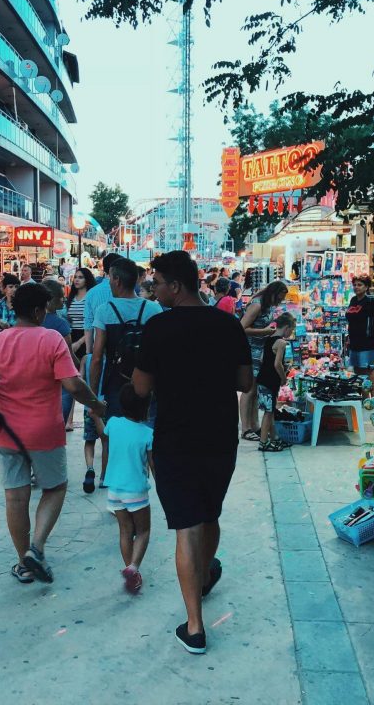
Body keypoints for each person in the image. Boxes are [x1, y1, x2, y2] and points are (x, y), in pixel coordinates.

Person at [132, 251, 253, 655]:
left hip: (175, 440)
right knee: (209, 513)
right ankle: (202, 578)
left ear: (176, 286)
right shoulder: (228, 323)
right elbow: (244, 381)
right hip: (219, 436)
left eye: (157, 283)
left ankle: (196, 626)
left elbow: (141, 389)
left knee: (187, 527)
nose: (154, 290)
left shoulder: (158, 328)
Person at [0, 283, 105, 584]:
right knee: (55, 487)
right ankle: (36, 547)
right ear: (39, 311)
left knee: (15, 497)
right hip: (42, 430)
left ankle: (23, 562)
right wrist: (96, 405)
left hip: (4, 430)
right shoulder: (50, 338)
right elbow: (72, 384)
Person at [88, 258, 162, 493]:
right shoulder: (152, 308)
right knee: (147, 434)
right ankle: (142, 480)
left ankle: (115, 483)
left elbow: (97, 356)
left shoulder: (105, 311)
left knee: (115, 435)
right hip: (149, 382)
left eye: (110, 277)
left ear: (117, 280)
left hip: (116, 384)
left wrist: (93, 394)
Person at [90, 383, 153, 592]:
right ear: (146, 407)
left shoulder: (114, 424)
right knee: (143, 530)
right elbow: (154, 465)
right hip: (136, 490)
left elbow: (103, 434)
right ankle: (134, 567)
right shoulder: (147, 434)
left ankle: (129, 569)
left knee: (125, 530)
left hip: (114, 490)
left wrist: (96, 416)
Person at [81, 253, 123, 492]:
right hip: (125, 364)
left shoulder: (93, 294)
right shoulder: (135, 297)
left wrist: (87, 355)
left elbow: (89, 330)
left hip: (98, 358)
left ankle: (98, 467)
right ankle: (112, 471)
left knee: (96, 407)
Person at [239, 281, 288, 442]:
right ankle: (246, 428)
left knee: (254, 391)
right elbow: (241, 328)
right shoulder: (257, 305)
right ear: (274, 293)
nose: (279, 302)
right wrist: (264, 331)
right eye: (279, 298)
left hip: (259, 351)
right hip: (250, 350)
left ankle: (254, 425)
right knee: (249, 390)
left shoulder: (266, 305)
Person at [255, 313, 296, 452]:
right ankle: (263, 442)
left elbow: (261, 359)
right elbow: (277, 364)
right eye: (291, 330)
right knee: (268, 413)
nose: (291, 333)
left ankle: (274, 438)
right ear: (286, 327)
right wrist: (283, 377)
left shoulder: (268, 339)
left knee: (270, 411)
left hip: (262, 379)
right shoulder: (281, 343)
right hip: (270, 381)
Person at [42, 280, 79, 430]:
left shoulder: (29, 322)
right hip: (58, 377)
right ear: (51, 300)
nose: (64, 299)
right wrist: (81, 364)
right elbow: (68, 355)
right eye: (61, 297)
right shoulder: (61, 324)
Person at [345, 274, 374, 378]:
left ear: (366, 287)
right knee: (357, 371)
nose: (356, 287)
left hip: (367, 343)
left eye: (359, 285)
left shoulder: (371, 301)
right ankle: (363, 395)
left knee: (368, 371)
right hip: (354, 342)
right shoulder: (353, 300)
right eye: (355, 285)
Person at [66, 267, 95, 359]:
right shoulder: (71, 297)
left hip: (86, 336)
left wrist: (80, 342)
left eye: (80, 277)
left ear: (87, 279)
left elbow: (93, 322)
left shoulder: (90, 297)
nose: (77, 280)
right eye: (75, 277)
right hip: (71, 335)